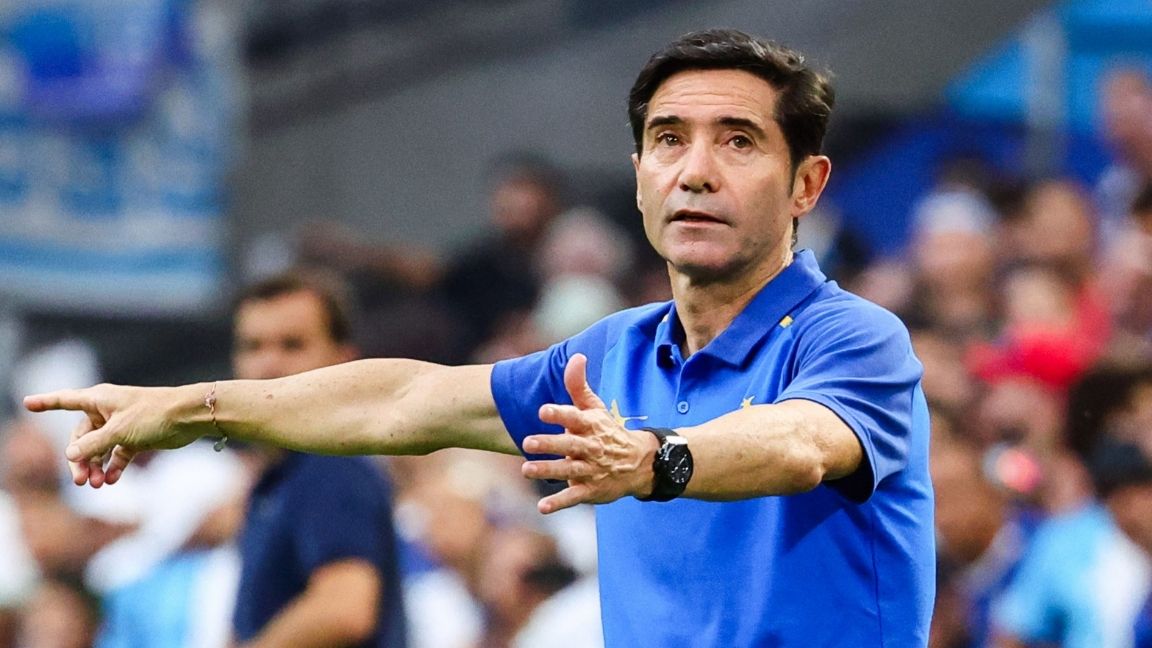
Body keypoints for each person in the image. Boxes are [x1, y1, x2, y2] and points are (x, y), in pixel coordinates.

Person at [26, 30, 934, 646]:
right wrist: (184, 408)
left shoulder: (853, 338)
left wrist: (656, 457)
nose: (695, 171)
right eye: (669, 139)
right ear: (638, 177)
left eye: (738, 142)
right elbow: (403, 400)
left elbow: (801, 443)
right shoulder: (612, 354)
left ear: (807, 184)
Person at [224, 271, 407, 647]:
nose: (268, 365)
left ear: (344, 361)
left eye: (292, 345)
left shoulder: (331, 466)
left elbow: (344, 607)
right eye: (253, 347)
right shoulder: (280, 476)